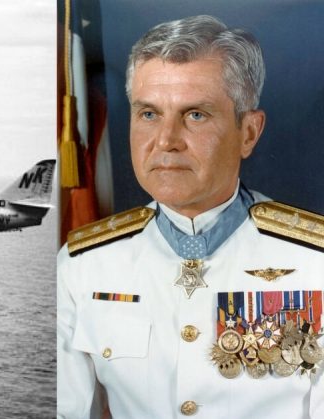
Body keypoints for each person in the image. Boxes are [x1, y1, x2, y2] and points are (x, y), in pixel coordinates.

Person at [56, 15, 323, 418]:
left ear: (248, 133)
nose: (165, 140)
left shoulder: (313, 263)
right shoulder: (84, 264)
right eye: (148, 114)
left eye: (195, 115)